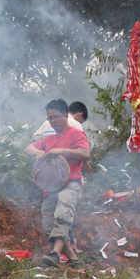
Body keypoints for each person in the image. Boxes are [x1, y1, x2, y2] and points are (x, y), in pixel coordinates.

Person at [25, 99, 91, 267]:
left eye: (55, 117)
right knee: (48, 223)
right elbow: (28, 148)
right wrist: (39, 153)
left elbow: (85, 153)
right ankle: (74, 259)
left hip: (71, 183)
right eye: (49, 118)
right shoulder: (48, 139)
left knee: (62, 215)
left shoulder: (76, 134)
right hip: (51, 187)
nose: (52, 121)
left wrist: (61, 151)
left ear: (65, 115)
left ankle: (55, 254)